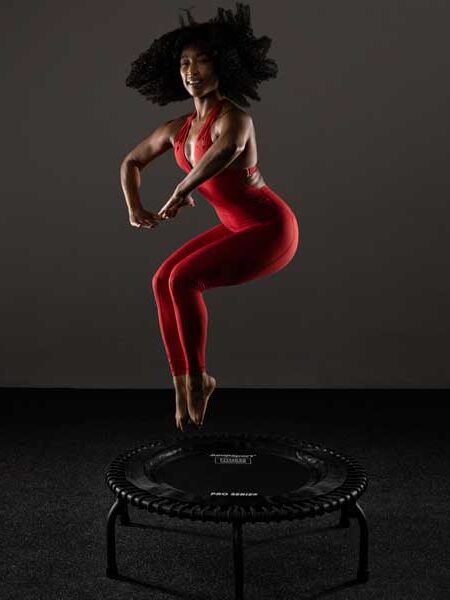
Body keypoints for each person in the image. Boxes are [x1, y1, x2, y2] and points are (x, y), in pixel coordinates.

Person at [120, 3, 300, 431]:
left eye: (202, 60)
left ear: (224, 64)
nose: (192, 70)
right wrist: (135, 209)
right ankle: (184, 387)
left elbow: (227, 153)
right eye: (184, 62)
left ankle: (199, 381)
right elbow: (131, 162)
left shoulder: (235, 118)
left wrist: (182, 189)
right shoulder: (178, 128)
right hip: (236, 226)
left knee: (184, 280)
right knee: (162, 279)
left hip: (271, 230)